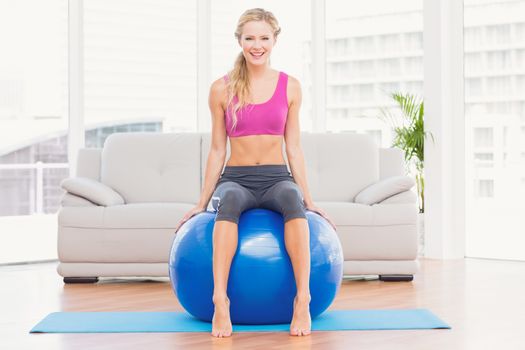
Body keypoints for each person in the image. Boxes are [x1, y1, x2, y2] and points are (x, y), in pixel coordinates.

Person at [175, 8, 335, 338]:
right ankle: (220, 300)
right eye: (250, 38)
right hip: (237, 178)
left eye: (264, 38)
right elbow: (218, 150)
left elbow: (294, 148)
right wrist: (200, 202)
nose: (257, 45)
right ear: (240, 41)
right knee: (229, 200)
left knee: (293, 200)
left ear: (275, 40)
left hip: (277, 178)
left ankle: (302, 298)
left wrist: (310, 198)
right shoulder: (221, 88)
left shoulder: (290, 87)